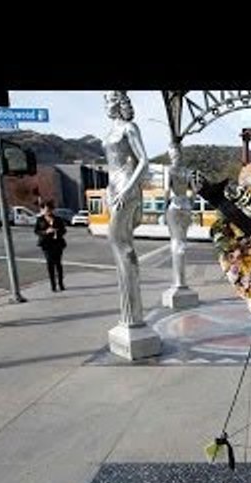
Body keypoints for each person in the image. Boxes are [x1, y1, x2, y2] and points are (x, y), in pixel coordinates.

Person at [102, 90, 147, 327]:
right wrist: (109, 191)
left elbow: (144, 161)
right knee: (120, 245)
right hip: (113, 189)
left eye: (109, 100)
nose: (106, 105)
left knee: (120, 243)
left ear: (119, 103)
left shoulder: (130, 128)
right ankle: (130, 312)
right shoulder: (111, 131)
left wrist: (128, 190)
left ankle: (133, 314)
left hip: (125, 188)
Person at [165, 141, 191, 289]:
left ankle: (179, 282)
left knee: (175, 241)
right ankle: (182, 281)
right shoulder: (187, 171)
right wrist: (190, 204)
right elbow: (192, 191)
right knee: (183, 242)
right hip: (185, 205)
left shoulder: (170, 170)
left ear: (171, 155)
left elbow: (167, 191)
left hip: (174, 205)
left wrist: (164, 207)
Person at [34, 199, 67, 291]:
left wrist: (57, 231)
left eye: (49, 210)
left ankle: (60, 283)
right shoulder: (40, 220)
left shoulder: (58, 219)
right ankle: (53, 285)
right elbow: (36, 231)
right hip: (46, 245)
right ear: (43, 210)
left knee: (58, 264)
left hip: (57, 244)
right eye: (46, 210)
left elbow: (64, 230)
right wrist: (45, 232)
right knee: (50, 264)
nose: (48, 211)